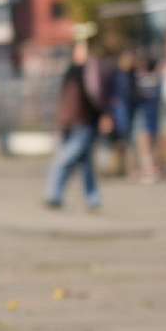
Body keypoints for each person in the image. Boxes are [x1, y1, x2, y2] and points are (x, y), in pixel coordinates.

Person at [45, 39, 103, 210]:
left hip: (84, 121)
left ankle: (53, 195)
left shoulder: (88, 69)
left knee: (67, 160)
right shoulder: (73, 71)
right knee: (81, 163)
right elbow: (65, 101)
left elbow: (96, 94)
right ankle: (92, 198)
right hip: (73, 122)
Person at [132, 51, 161, 183]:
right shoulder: (157, 81)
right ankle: (152, 170)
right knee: (153, 146)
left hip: (143, 118)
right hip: (154, 118)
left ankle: (148, 171)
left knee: (145, 147)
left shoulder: (140, 80)